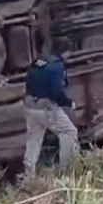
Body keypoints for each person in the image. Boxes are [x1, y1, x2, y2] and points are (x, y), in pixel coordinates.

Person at [23, 48, 79, 176]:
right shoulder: (56, 65)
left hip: (30, 106)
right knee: (69, 132)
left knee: (34, 140)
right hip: (46, 109)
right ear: (65, 52)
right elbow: (57, 91)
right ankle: (66, 171)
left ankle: (28, 175)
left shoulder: (37, 61)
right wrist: (68, 103)